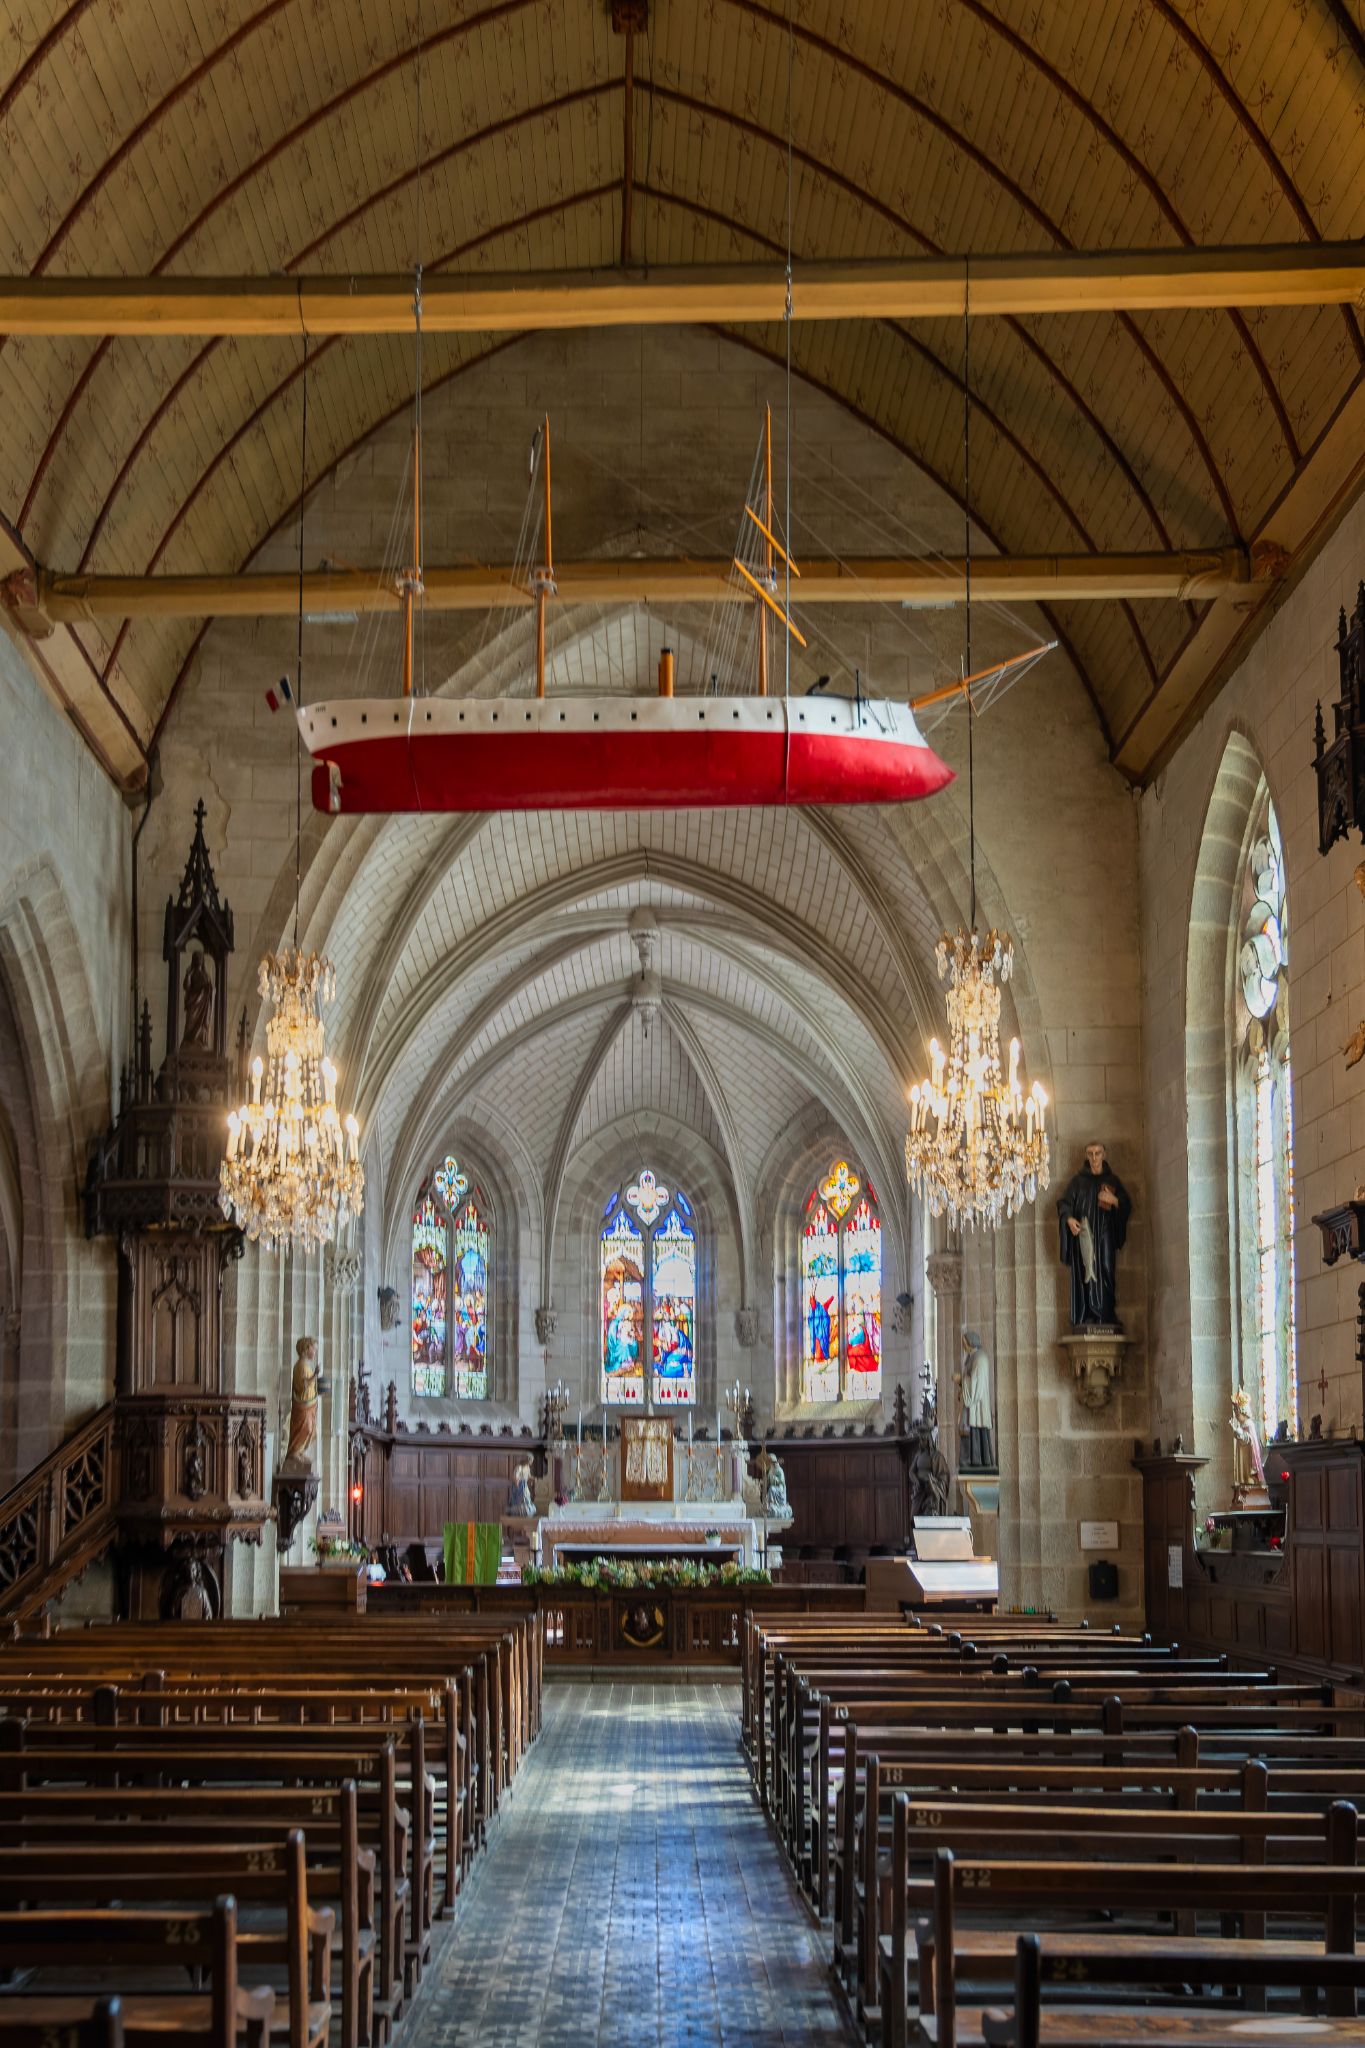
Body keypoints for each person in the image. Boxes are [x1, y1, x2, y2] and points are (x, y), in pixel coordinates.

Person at [1057, 1141, 1132, 1328]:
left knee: (1106, 1268)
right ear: (1086, 1156)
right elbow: (1064, 1204)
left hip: (1105, 1235)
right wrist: (1068, 1219)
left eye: (1098, 1153)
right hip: (1085, 1235)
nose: (1094, 1157)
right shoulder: (1077, 1182)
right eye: (1090, 1153)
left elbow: (1126, 1203)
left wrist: (1114, 1200)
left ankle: (1105, 1314)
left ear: (1104, 1155)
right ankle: (1088, 1314)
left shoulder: (1112, 1181)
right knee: (1086, 1271)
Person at [957, 1331, 994, 1469]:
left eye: (965, 1343)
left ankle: (978, 1461)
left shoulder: (980, 1358)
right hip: (971, 1404)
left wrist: (961, 1379)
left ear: (971, 1343)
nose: (964, 1346)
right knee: (968, 1431)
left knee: (977, 1432)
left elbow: (977, 1385)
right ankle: (970, 1461)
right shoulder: (972, 1357)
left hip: (976, 1405)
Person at [285, 1336, 321, 1466]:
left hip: (309, 1405)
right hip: (302, 1406)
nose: (315, 1353)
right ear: (305, 1350)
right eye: (313, 1349)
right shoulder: (300, 1366)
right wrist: (315, 1375)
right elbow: (303, 1385)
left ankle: (299, 1451)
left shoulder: (306, 1367)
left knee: (311, 1430)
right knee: (305, 1428)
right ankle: (293, 1451)